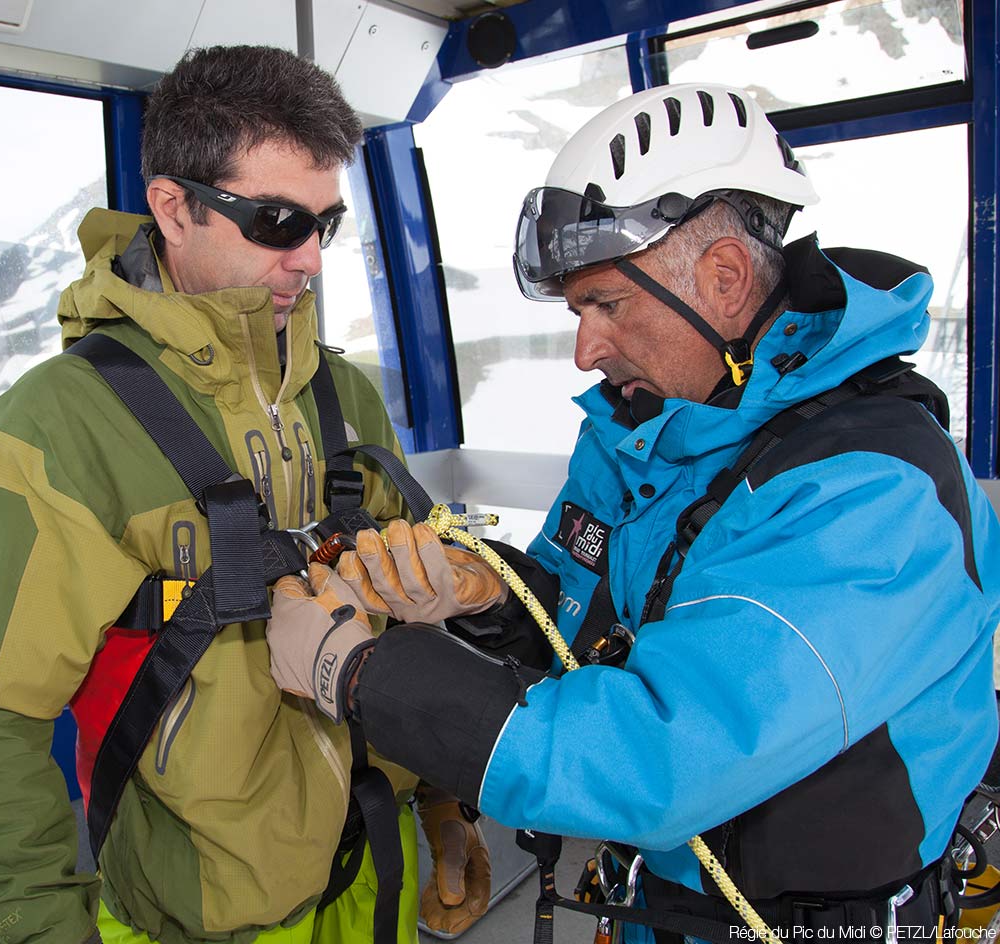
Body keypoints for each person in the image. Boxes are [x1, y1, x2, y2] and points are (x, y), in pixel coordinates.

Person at [264, 82, 1000, 942]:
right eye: (578, 311)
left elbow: (659, 758)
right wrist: (487, 599)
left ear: (723, 279)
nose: (585, 350)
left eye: (606, 305)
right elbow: (577, 613)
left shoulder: (874, 491)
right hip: (658, 901)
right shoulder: (639, 434)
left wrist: (355, 674)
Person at [0, 44, 492, 944]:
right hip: (199, 915)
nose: (310, 259)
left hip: (375, 868)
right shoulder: (60, 429)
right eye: (274, 220)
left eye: (325, 225)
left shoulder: (346, 397)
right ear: (173, 206)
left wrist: (448, 806)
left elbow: (417, 616)